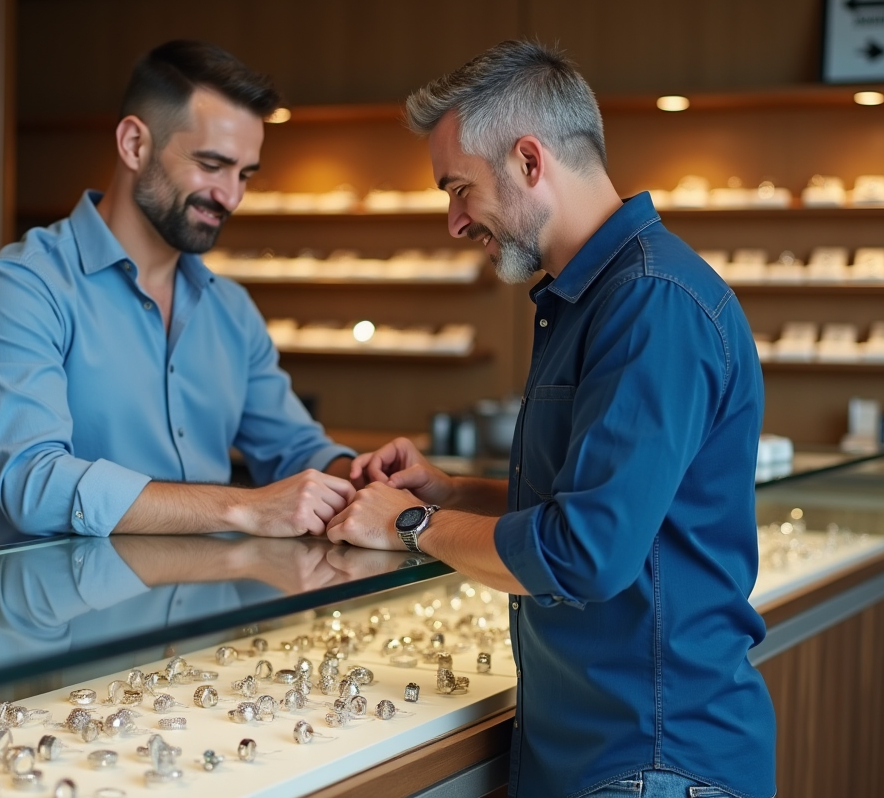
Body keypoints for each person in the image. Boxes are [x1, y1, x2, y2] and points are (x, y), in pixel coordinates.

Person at [326, 41, 776, 798]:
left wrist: (408, 526)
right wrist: (446, 493)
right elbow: (586, 501)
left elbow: (585, 554)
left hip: (653, 760)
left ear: (530, 161)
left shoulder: (652, 303)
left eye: (460, 188)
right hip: (603, 753)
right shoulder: (591, 297)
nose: (454, 221)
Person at [0, 40, 356, 549]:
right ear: (133, 144)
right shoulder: (21, 288)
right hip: (69, 627)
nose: (231, 196)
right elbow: (34, 485)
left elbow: (294, 449)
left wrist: (361, 476)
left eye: (244, 174)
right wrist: (245, 506)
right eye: (212, 165)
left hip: (211, 622)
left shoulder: (231, 308)